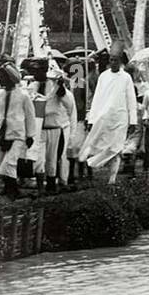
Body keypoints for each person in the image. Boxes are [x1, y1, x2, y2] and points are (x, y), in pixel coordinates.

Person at [0, 62, 38, 199]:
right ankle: (7, 188)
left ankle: (14, 189)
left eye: (2, 77)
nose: (0, 80)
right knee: (1, 161)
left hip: (17, 133)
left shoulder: (23, 96)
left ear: (10, 78)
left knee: (10, 162)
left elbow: (30, 116)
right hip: (1, 133)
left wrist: (30, 135)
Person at [78, 51, 137, 184]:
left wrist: (132, 120)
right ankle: (93, 163)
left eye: (116, 60)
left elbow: (131, 99)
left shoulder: (126, 77)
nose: (113, 63)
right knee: (102, 145)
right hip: (104, 117)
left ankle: (112, 179)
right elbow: (97, 98)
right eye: (111, 60)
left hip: (121, 118)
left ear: (120, 61)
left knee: (116, 148)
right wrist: (92, 118)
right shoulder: (103, 77)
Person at [40, 65, 77, 193]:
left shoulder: (67, 95)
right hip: (44, 127)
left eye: (54, 80)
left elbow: (72, 114)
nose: (51, 83)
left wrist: (72, 135)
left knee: (58, 157)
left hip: (60, 128)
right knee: (44, 157)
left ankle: (61, 181)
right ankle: (46, 182)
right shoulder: (43, 91)